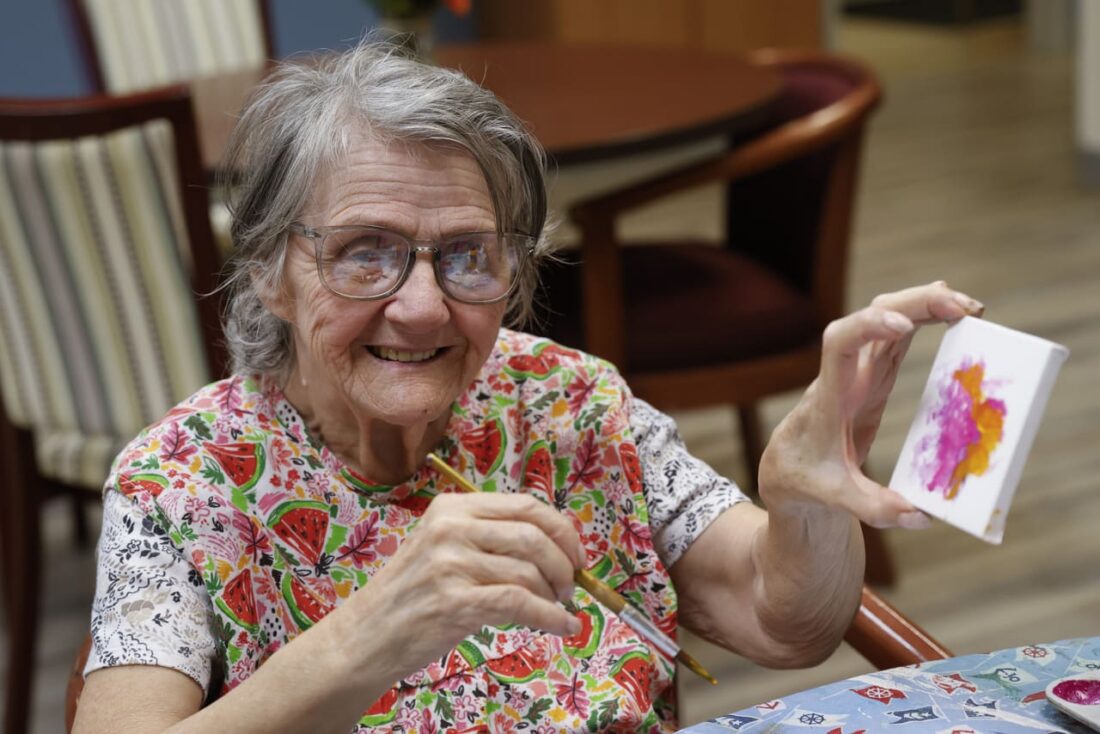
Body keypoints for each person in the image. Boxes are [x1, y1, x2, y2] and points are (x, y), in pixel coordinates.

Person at [74, 40, 983, 733]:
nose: (424, 307)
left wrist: (805, 505)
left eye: (469, 256)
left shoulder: (566, 403)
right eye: (365, 254)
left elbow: (786, 619)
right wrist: (374, 634)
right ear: (271, 269)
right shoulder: (184, 481)